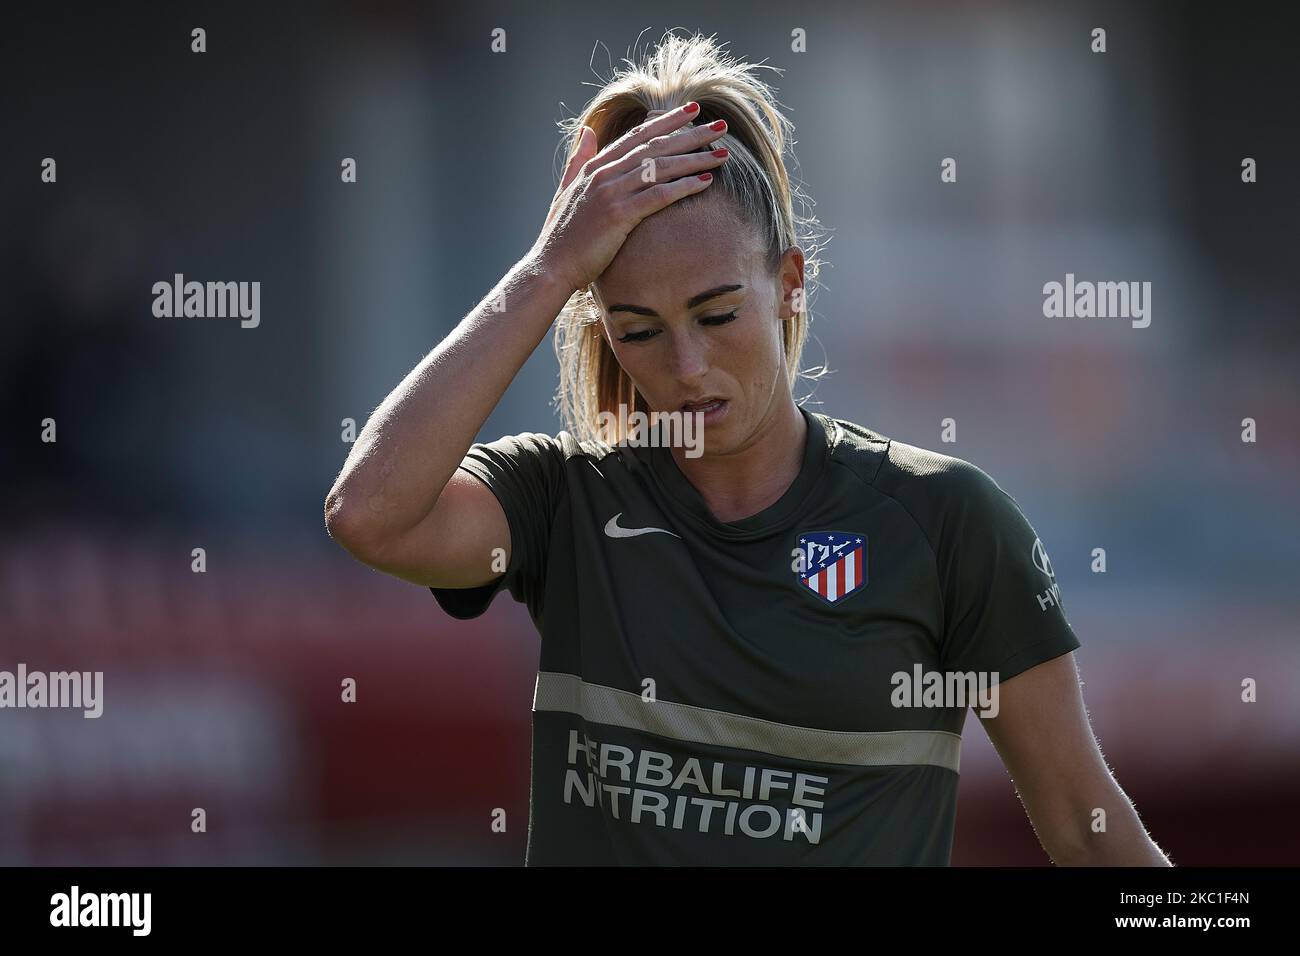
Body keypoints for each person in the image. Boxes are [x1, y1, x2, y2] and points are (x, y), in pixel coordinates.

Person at [324, 31, 1169, 866]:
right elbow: (369, 516)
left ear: (791, 283)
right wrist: (549, 270)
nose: (688, 367)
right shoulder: (561, 501)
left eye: (718, 314)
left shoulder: (946, 523)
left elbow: (1086, 831)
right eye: (639, 330)